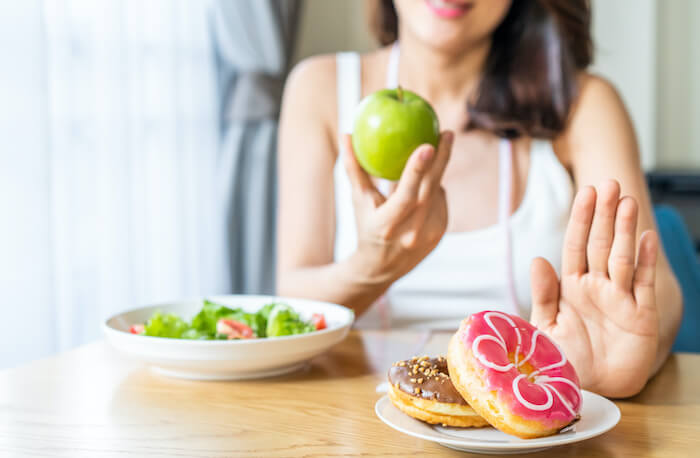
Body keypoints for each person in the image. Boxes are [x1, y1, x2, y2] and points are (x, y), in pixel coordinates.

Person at [276, 0, 682, 397]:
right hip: (347, 421)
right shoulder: (320, 87)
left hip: (519, 427)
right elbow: (288, 305)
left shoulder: (584, 104)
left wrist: (613, 366)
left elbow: (656, 294)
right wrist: (369, 269)